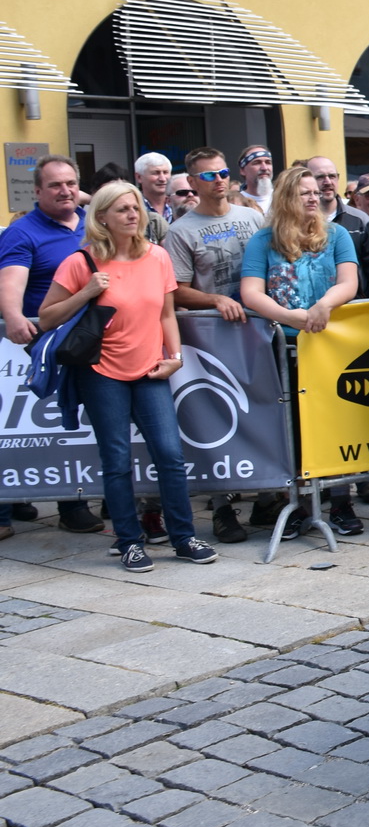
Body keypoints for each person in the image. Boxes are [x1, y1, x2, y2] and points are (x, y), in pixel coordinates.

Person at [37, 182, 215, 572]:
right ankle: (129, 541)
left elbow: (167, 314)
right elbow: (47, 317)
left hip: (152, 368)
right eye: (122, 209)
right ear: (101, 217)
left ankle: (183, 537)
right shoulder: (80, 262)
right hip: (101, 372)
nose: (133, 215)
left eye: (135, 208)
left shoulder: (157, 257)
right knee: (116, 459)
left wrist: (176, 357)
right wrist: (85, 292)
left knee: (169, 454)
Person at [239, 168, 361, 535]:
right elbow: (251, 292)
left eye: (315, 192)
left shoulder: (337, 234)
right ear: (285, 199)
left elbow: (349, 281)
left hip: (327, 347)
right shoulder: (263, 241)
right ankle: (293, 504)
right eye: (303, 193)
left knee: (334, 424)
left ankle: (339, 501)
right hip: (283, 347)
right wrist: (288, 315)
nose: (313, 197)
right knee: (289, 429)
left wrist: (324, 304)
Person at [167, 148, 269, 543]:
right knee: (215, 422)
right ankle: (223, 509)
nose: (219, 180)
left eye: (223, 173)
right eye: (208, 176)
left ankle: (268, 497)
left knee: (263, 413)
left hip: (256, 332)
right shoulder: (181, 231)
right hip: (210, 338)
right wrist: (216, 301)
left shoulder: (251, 217)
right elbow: (176, 290)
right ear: (192, 183)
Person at [0, 156, 104, 535]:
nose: (65, 191)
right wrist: (12, 316)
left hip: (91, 340)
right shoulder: (22, 232)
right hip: (45, 343)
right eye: (55, 185)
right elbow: (10, 282)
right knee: (30, 430)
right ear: (37, 191)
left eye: (71, 183)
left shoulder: (93, 223)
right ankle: (8, 506)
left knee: (74, 426)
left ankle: (72, 504)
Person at [306, 157, 369, 298]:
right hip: (309, 310)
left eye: (332, 176)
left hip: (353, 311)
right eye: (320, 177)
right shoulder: (299, 222)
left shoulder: (361, 221)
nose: (328, 182)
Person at [134, 152, 174, 242]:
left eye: (165, 172)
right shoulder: (133, 208)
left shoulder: (179, 203)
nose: (162, 178)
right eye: (156, 173)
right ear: (139, 177)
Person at [235, 145, 273, 210]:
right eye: (257, 163)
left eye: (268, 162)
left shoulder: (283, 198)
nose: (264, 168)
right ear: (243, 170)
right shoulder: (236, 203)